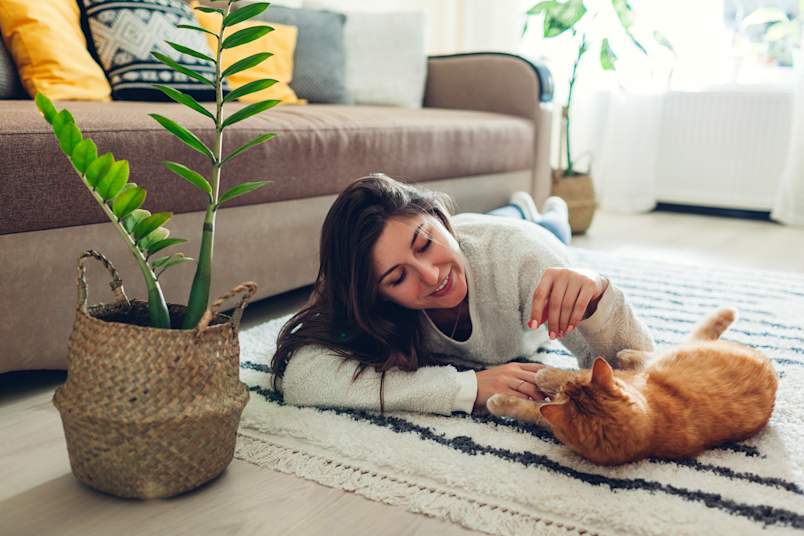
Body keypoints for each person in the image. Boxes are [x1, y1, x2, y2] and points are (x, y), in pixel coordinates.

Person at [271, 174, 654, 415]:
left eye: (424, 245)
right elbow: (303, 377)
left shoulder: (527, 261)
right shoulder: (372, 303)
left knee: (553, 226)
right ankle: (515, 209)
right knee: (496, 225)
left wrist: (598, 296)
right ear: (378, 294)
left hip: (527, 238)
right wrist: (464, 388)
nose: (431, 276)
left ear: (439, 218)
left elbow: (637, 369)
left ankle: (545, 210)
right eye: (398, 277)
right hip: (473, 235)